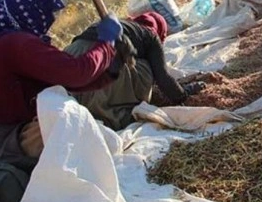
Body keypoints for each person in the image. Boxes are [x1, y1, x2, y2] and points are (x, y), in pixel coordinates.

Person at [0, 0, 123, 170]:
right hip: (4, 143)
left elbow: (67, 82)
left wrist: (110, 70)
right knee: (80, 135)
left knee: (106, 142)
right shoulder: (14, 44)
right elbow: (76, 73)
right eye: (47, 11)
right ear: (32, 9)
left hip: (18, 136)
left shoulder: (14, 42)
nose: (50, 19)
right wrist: (106, 44)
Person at [64, 11, 206, 131]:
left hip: (72, 58)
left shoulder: (122, 25)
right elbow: (163, 78)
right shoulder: (150, 35)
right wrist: (183, 95)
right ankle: (111, 113)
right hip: (101, 59)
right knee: (146, 67)